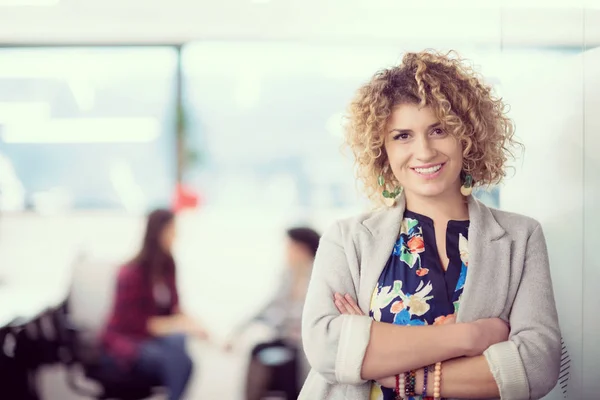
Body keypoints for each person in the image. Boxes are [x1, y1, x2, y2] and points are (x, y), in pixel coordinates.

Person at [299, 50, 561, 400]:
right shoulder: (348, 239)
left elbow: (536, 366)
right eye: (402, 136)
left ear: (468, 136)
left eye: (439, 130)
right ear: (382, 150)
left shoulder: (520, 237)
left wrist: (393, 366)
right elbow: (327, 349)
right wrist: (471, 337)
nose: (423, 152)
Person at [99, 208, 208, 400]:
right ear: (159, 232)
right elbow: (131, 324)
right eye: (173, 230)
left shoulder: (168, 265)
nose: (176, 236)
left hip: (155, 341)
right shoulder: (131, 272)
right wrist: (174, 325)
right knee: (179, 359)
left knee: (179, 345)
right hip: (129, 340)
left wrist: (197, 326)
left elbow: (174, 309)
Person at [225, 227, 320, 400]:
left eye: (289, 247)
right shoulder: (288, 276)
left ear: (302, 250)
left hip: (308, 346)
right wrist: (237, 332)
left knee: (294, 364)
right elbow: (266, 308)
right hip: (285, 340)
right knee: (258, 350)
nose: (286, 252)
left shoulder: (319, 278)